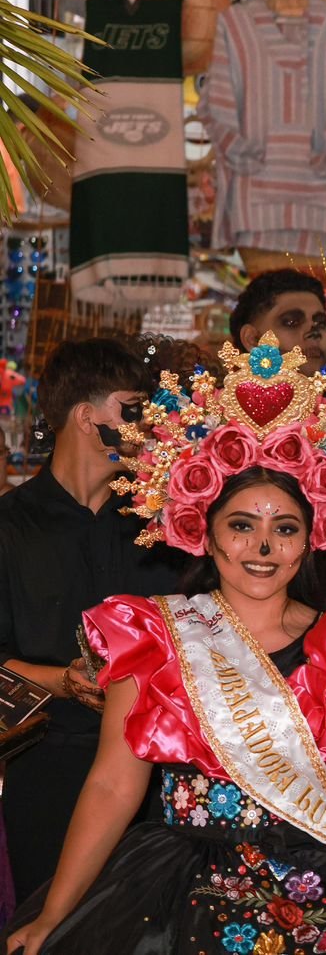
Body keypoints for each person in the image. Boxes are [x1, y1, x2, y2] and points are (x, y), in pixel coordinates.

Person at [4, 334, 326, 955]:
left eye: (284, 529)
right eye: (241, 526)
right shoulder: (159, 635)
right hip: (179, 883)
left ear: (309, 540)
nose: (262, 547)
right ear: (205, 533)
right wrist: (53, 915)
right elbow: (114, 787)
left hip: (318, 879)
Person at [0, 340, 184, 902]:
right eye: (135, 409)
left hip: (159, 776)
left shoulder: (166, 529)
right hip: (47, 767)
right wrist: (63, 680)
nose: (150, 428)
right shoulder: (9, 526)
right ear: (86, 416)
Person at [229, 268, 326, 377]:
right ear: (252, 339)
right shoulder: (217, 394)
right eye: (292, 322)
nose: (314, 332)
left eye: (321, 323)